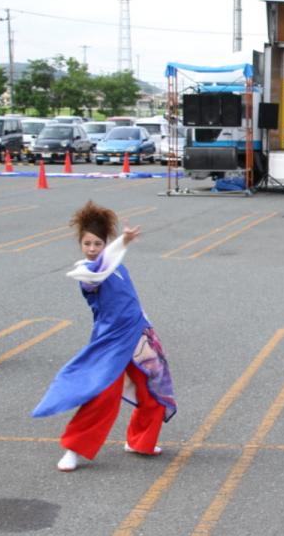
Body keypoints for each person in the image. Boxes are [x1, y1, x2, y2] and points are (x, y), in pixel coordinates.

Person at [33, 202, 177, 472]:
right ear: (81, 245)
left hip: (138, 334)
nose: (92, 249)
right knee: (103, 396)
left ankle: (140, 441)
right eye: (87, 243)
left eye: (97, 244)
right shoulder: (88, 272)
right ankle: (74, 450)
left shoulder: (120, 267)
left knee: (153, 390)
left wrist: (147, 329)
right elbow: (102, 266)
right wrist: (122, 241)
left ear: (104, 243)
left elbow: (128, 293)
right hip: (110, 342)